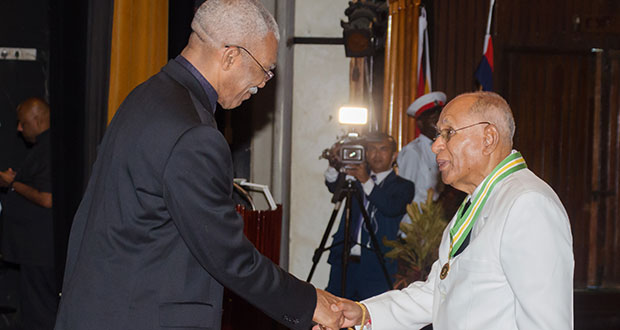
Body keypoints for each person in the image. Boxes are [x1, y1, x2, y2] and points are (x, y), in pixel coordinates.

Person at [54, 1, 341, 329]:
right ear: (231, 56)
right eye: (265, 70)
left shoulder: (146, 96)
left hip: (104, 308)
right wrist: (309, 302)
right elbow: (227, 254)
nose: (262, 84)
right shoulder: (193, 133)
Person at [334, 92, 574, 330]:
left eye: (448, 133)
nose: (436, 145)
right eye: (438, 135)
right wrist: (364, 313)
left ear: (488, 138)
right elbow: (438, 293)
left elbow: (547, 323)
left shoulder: (527, 204)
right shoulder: (477, 201)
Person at [324, 132, 414, 301]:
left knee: (373, 318)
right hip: (344, 261)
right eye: (371, 149)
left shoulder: (404, 186)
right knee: (335, 312)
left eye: (383, 149)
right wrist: (334, 163)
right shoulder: (354, 180)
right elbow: (333, 185)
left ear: (394, 155)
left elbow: (390, 207)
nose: (376, 155)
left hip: (378, 264)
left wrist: (366, 181)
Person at [0, 97, 57, 329]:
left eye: (23, 123)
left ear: (37, 119)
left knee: (40, 314)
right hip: (33, 250)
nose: (19, 128)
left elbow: (47, 198)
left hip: (40, 251)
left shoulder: (48, 148)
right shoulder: (43, 148)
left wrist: (12, 184)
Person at [397, 91, 445, 206]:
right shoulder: (413, 152)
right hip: (416, 219)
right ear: (420, 124)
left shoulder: (446, 148)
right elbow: (405, 194)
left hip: (439, 217)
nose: (438, 125)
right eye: (433, 120)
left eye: (441, 120)